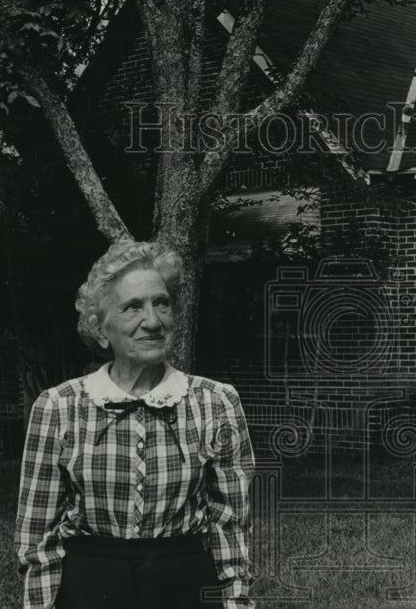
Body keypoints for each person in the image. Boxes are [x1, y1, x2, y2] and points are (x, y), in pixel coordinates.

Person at [15, 241, 255, 608]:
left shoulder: (216, 402)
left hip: (184, 585)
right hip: (90, 586)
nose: (153, 321)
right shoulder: (59, 406)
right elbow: (37, 539)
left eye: (162, 303)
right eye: (132, 307)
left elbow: (230, 526)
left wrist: (237, 604)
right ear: (99, 327)